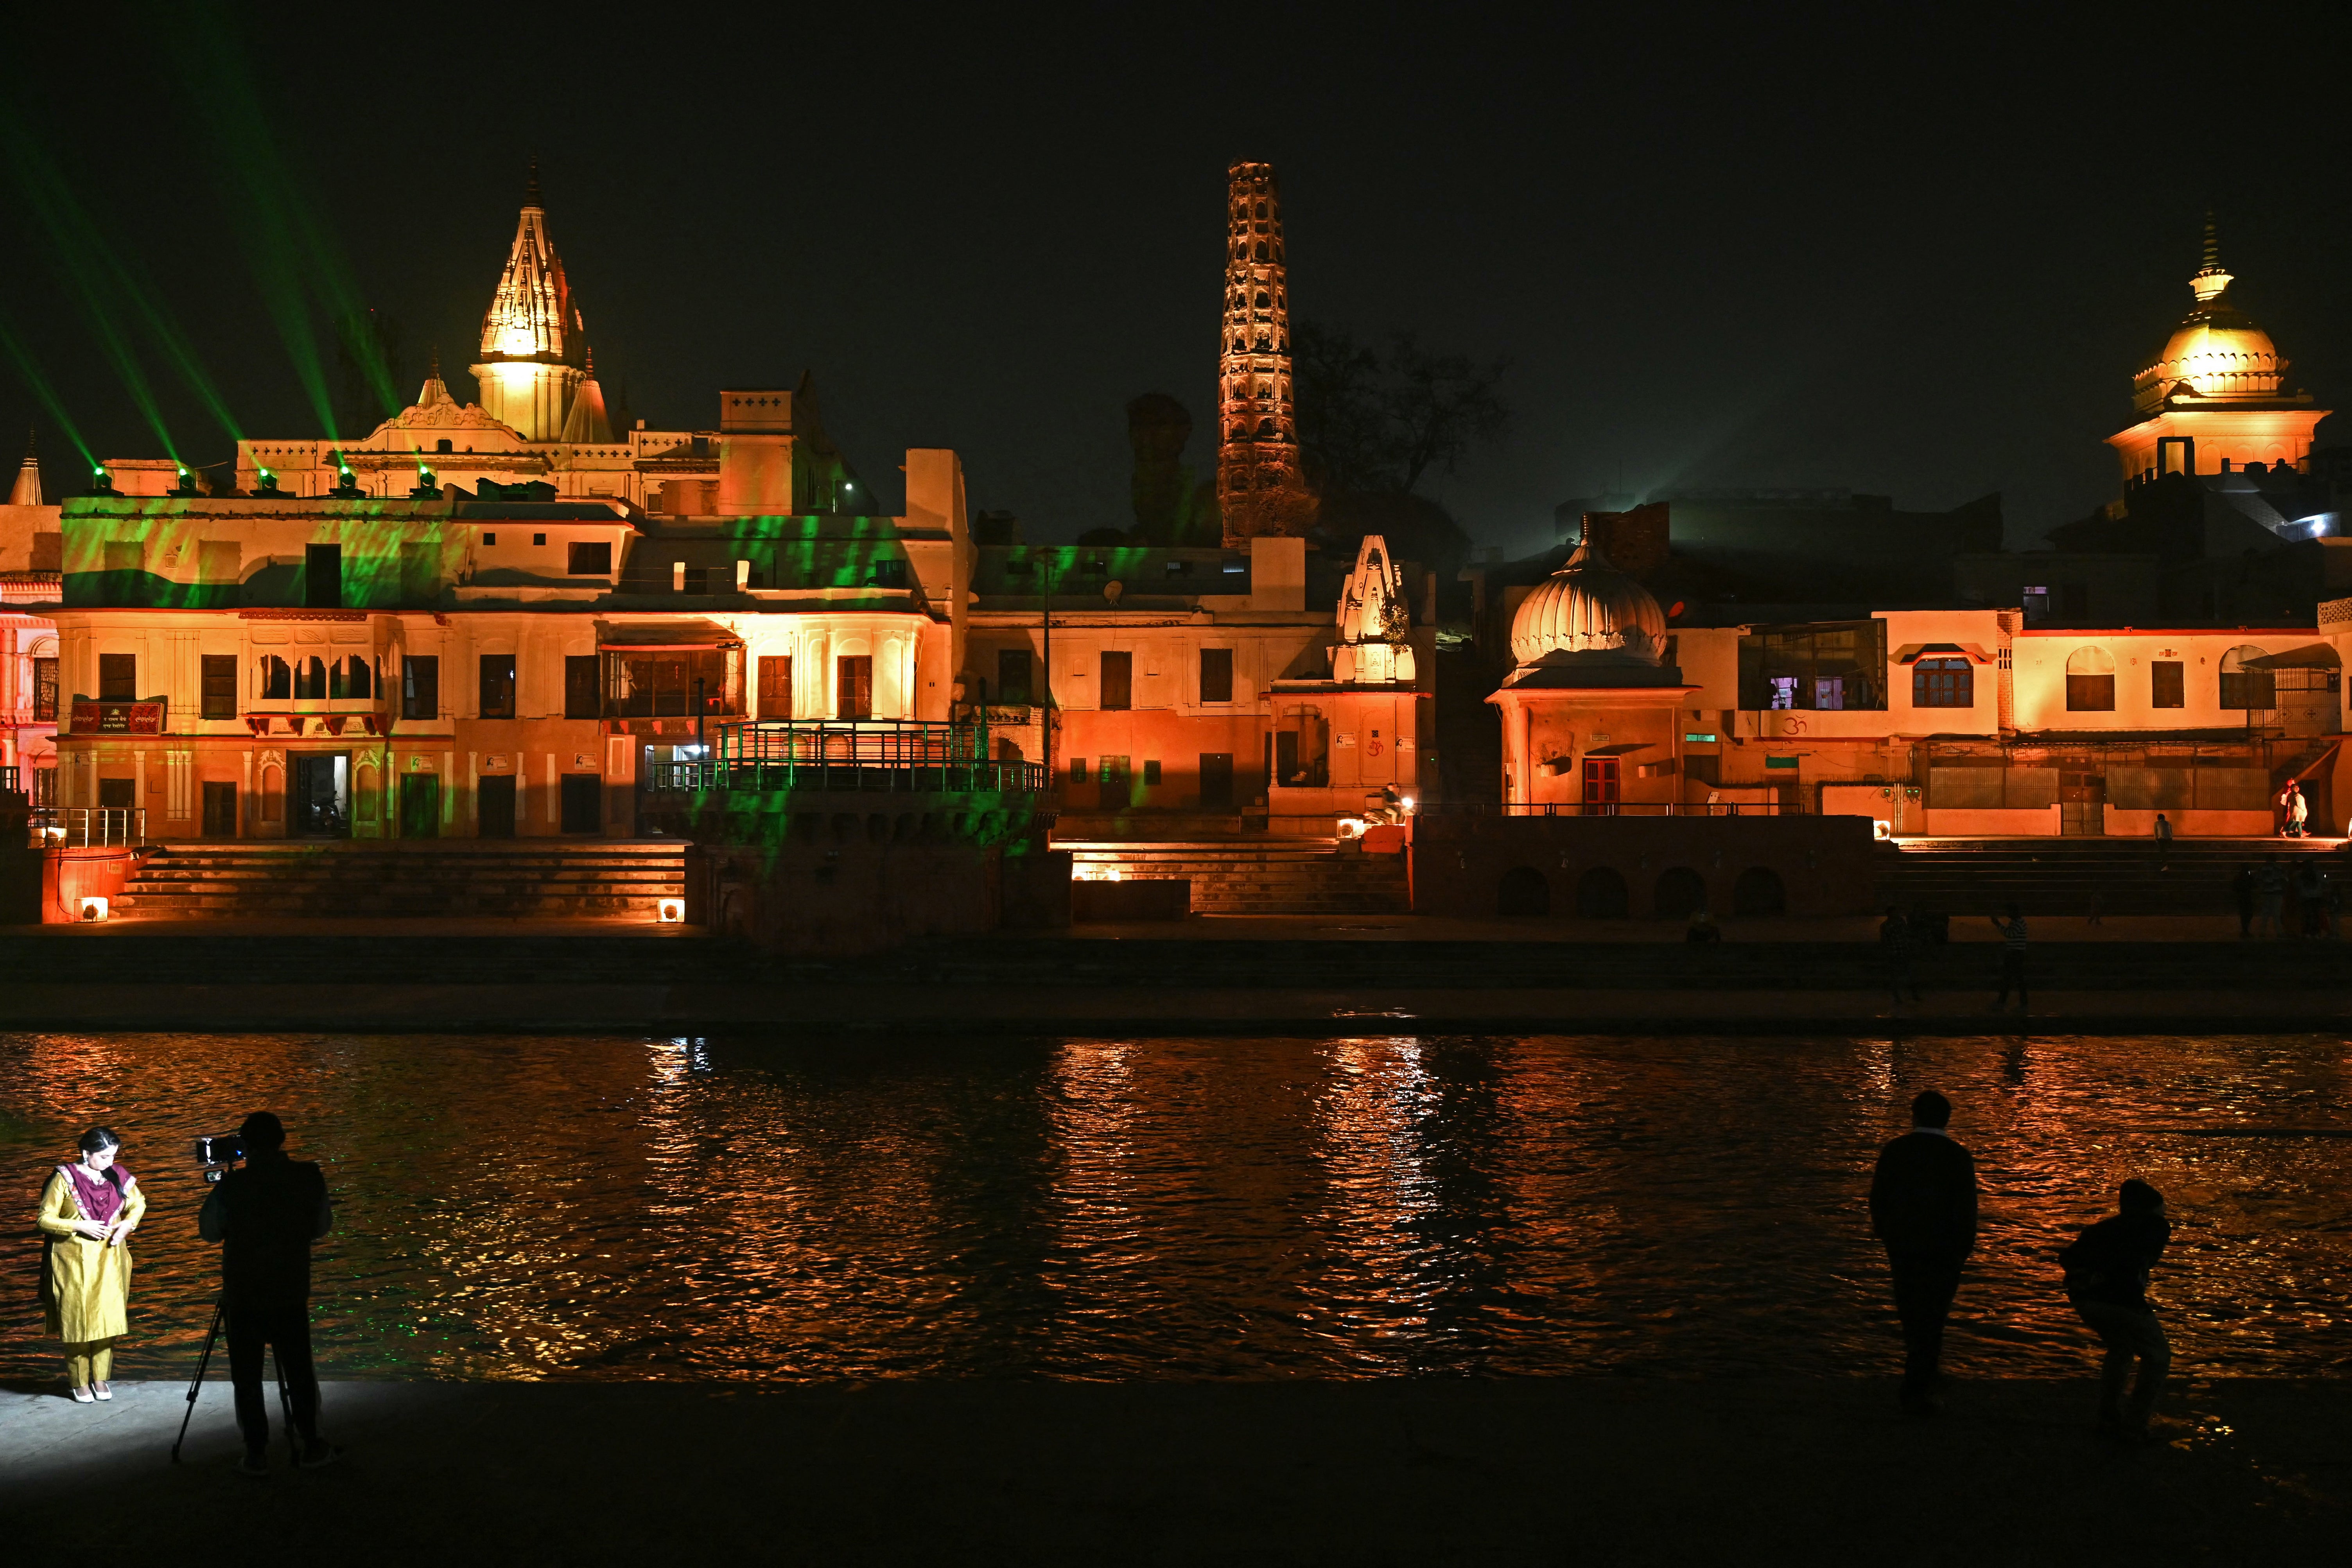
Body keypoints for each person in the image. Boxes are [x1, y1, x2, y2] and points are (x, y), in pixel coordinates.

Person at [199, 1111, 337, 1474]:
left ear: (245, 1145)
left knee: (246, 1375)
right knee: (299, 1370)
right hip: (290, 1288)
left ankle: (257, 1451)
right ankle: (313, 1442)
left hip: (243, 1293)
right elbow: (321, 1227)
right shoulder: (309, 1176)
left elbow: (210, 1232)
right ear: (282, 1140)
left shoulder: (232, 1186)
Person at [1869, 1090, 1978, 1415]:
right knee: (1934, 1316)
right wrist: (1962, 1250)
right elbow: (1966, 1210)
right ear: (1947, 1118)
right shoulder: (1958, 1156)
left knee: (1910, 1311)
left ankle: (1918, 1378)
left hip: (1903, 1247)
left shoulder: (1895, 1151)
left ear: (1914, 1115)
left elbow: (1879, 1199)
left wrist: (1887, 1236)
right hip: (1945, 1250)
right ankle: (1920, 1384)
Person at [35, 1127, 145, 1403]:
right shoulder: (64, 1179)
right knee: (78, 1322)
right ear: (87, 1154)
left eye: (114, 1156)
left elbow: (139, 1203)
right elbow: (44, 1219)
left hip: (111, 1258)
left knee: (107, 1319)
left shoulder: (117, 1176)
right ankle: (79, 1381)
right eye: (105, 1156)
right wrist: (78, 1225)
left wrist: (128, 1224)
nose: (111, 1162)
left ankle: (100, 1378)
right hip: (73, 1260)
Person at [2060, 1179, 2171, 1440]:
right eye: (2161, 1206)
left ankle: (2107, 1416)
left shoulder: (2101, 1229)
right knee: (2157, 1356)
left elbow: (2067, 1257)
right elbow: (2145, 1260)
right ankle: (2135, 1425)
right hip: (2121, 1300)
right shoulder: (2155, 1226)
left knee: (2121, 1349)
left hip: (2085, 1299)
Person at [1988, 903, 2029, 1013]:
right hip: (2015, 953)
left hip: (2015, 954)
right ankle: (2012, 1001)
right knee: (2014, 979)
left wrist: (1998, 925)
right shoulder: (2018, 922)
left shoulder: (2018, 923)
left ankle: (2004, 1002)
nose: (2008, 914)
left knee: (2011, 979)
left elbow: (2010, 934)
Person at [1878, 906, 1921, 1008]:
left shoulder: (1900, 922)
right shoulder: (1886, 926)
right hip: (1895, 953)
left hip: (1903, 951)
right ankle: (1898, 996)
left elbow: (1906, 934)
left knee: (1910, 974)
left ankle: (1913, 995)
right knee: (1896, 976)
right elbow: (1885, 940)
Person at [2254, 859, 2287, 939]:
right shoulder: (2279, 868)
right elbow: (2285, 880)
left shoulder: (2262, 868)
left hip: (2266, 893)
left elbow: (2257, 879)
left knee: (2265, 914)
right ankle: (2279, 932)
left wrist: (2262, 888)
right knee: (2277, 914)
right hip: (2276, 893)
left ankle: (2263, 932)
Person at [2295, 859, 2328, 939]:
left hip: (2306, 897)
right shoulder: (2318, 874)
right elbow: (2326, 881)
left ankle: (2307, 932)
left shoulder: (2301, 875)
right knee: (2315, 916)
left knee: (2307, 915)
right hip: (2316, 897)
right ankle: (2315, 933)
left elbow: (2297, 885)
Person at [2233, 864, 2256, 939]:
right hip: (2247, 898)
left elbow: (2234, 887)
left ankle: (2245, 930)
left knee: (2244, 915)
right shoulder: (2248, 877)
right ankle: (2245, 930)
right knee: (2248, 914)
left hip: (2241, 898)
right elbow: (2254, 885)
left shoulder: (2238, 877)